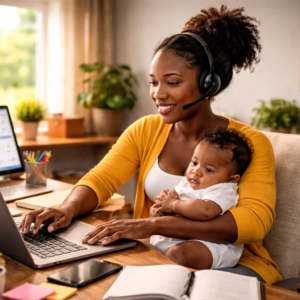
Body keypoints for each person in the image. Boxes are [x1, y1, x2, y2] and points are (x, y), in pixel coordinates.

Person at [19, 6, 282, 284]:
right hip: (161, 255)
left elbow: (254, 223)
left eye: (172, 82)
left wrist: (151, 224)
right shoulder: (145, 129)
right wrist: (67, 209)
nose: (158, 93)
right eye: (154, 82)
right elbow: (102, 178)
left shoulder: (250, 143)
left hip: (233, 265)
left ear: (208, 84)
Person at [150, 128, 252, 270]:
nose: (196, 171)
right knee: (141, 247)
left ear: (231, 179)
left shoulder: (223, 189)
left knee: (179, 254)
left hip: (211, 246)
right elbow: (171, 205)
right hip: (180, 238)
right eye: (194, 162)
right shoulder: (188, 183)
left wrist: (174, 204)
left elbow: (205, 210)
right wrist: (160, 209)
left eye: (209, 169)